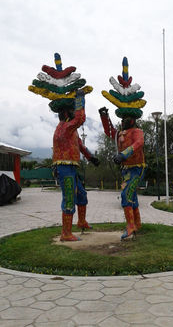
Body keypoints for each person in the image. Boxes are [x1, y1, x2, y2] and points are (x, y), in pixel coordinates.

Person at [51, 91, 99, 241]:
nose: (74, 113)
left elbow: (80, 146)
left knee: (81, 195)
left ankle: (81, 221)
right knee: (70, 198)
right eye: (72, 110)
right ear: (66, 112)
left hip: (71, 168)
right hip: (64, 168)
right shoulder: (65, 127)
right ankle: (66, 233)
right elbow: (80, 118)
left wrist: (91, 157)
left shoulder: (71, 130)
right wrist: (80, 99)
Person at [99, 106, 145, 240]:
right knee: (132, 196)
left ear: (132, 121)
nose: (123, 121)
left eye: (126, 119)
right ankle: (137, 223)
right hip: (126, 170)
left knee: (126, 194)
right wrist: (104, 117)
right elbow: (109, 131)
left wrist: (124, 154)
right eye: (122, 119)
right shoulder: (119, 134)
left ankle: (130, 226)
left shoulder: (137, 131)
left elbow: (139, 143)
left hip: (137, 168)